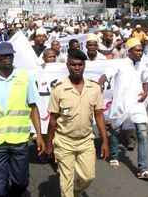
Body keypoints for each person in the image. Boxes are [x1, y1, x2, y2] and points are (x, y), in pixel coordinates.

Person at [0, 42, 45, 197]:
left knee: (21, 182)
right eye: (4, 55)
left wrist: (39, 135)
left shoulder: (24, 77)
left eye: (10, 55)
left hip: (18, 140)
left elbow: (33, 107)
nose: (8, 58)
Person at [46, 49, 109, 197]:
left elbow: (99, 116)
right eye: (73, 64)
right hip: (64, 141)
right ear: (67, 65)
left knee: (88, 176)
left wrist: (105, 140)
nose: (77, 67)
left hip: (86, 141)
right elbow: (53, 119)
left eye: (80, 64)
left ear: (84, 66)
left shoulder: (94, 88)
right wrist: (49, 143)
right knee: (66, 180)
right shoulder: (59, 90)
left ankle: (76, 191)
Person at [98, 38, 148, 180]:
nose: (140, 53)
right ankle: (114, 156)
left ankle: (142, 168)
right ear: (129, 51)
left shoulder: (142, 66)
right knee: (115, 131)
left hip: (137, 105)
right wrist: (98, 85)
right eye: (137, 50)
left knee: (142, 134)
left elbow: (146, 81)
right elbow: (105, 75)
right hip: (120, 104)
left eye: (141, 50)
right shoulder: (120, 63)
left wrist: (145, 92)